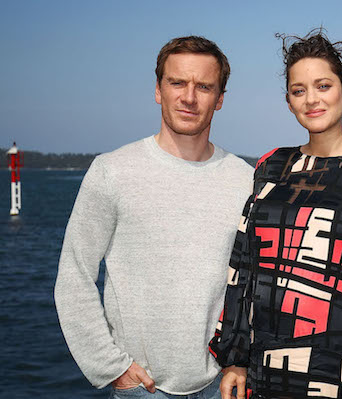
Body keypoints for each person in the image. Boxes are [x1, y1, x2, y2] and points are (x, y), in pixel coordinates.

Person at [209, 29, 342, 399]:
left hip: (337, 373)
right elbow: (243, 266)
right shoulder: (271, 166)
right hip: (261, 373)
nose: (312, 100)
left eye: (323, 86)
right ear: (288, 101)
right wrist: (235, 359)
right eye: (299, 90)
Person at [54, 36, 253, 398]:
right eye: (177, 82)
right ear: (158, 90)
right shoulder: (112, 172)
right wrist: (109, 366)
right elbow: (74, 273)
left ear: (220, 98)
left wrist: (240, 360)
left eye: (204, 86)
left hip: (220, 385)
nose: (189, 97)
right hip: (142, 388)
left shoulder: (244, 180)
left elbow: (252, 283)